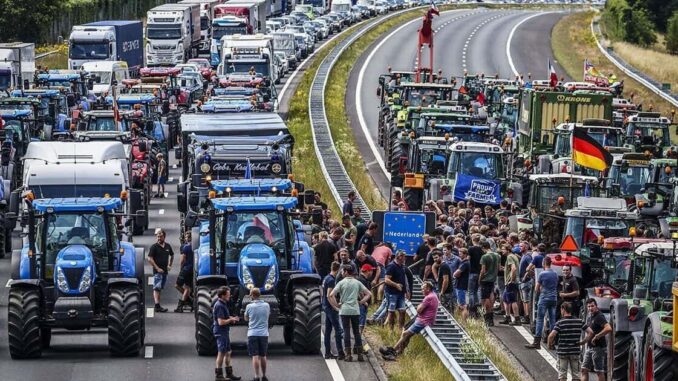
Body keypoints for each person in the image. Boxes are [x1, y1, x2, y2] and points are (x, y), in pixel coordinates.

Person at [379, 281, 439, 361]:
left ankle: (392, 351)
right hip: (421, 317)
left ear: (428, 289)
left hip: (424, 320)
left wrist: (419, 307)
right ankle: (398, 351)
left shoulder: (429, 297)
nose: (421, 291)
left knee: (405, 334)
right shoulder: (433, 295)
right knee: (405, 329)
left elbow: (419, 310)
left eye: (423, 289)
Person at [329, 265, 372, 362]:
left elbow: (331, 295)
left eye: (343, 271)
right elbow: (369, 294)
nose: (342, 273)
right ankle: (360, 354)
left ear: (346, 272)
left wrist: (337, 305)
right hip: (355, 310)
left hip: (344, 310)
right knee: (356, 332)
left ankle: (348, 355)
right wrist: (360, 302)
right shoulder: (357, 282)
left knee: (347, 331)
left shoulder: (341, 283)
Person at [526, 256, 558, 349]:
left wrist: (538, 296)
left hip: (544, 298)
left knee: (540, 319)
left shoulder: (542, 274)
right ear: (550, 263)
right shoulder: (555, 274)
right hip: (553, 298)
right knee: (552, 320)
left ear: (544, 263)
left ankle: (537, 342)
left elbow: (536, 288)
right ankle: (551, 342)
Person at [547, 302, 584, 381]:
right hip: (575, 351)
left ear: (563, 309)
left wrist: (549, 345)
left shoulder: (560, 322)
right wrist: (583, 342)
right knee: (576, 375)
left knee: (562, 375)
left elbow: (551, 336)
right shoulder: (579, 321)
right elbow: (590, 332)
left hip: (563, 352)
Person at [213, 286, 241, 381]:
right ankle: (219, 375)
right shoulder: (219, 305)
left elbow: (224, 317)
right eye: (228, 294)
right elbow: (220, 322)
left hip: (224, 331)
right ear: (222, 295)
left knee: (228, 352)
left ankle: (229, 374)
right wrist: (230, 320)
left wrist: (231, 318)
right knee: (221, 353)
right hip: (221, 332)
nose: (230, 296)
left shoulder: (223, 304)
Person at [581, 298, 612, 381]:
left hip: (598, 348)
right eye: (588, 306)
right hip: (589, 348)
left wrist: (597, 336)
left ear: (596, 306)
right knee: (584, 370)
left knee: (599, 372)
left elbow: (608, 328)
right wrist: (583, 342)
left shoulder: (599, 316)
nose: (590, 308)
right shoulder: (590, 316)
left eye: (592, 306)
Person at [245, 288, 270, 381]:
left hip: (252, 334)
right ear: (259, 295)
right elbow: (267, 316)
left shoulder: (249, 306)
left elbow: (246, 318)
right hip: (264, 334)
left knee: (255, 356)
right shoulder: (267, 305)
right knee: (263, 355)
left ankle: (256, 376)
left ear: (251, 295)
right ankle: (264, 376)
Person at [322, 262, 345, 359]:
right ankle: (340, 352)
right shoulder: (331, 280)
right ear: (338, 269)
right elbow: (329, 295)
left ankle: (327, 352)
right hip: (330, 307)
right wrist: (336, 306)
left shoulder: (326, 278)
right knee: (338, 330)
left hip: (325, 306)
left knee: (328, 330)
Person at [148, 229, 174, 312]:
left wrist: (170, 265)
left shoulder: (167, 246)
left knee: (160, 288)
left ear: (164, 237)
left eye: (160, 236)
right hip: (157, 272)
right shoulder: (154, 247)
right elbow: (149, 258)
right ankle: (157, 305)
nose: (159, 238)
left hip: (165, 271)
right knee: (157, 287)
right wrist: (157, 268)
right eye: (158, 237)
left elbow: (172, 255)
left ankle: (158, 305)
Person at [384, 251, 408, 331]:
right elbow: (386, 280)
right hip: (392, 292)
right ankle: (391, 330)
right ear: (399, 257)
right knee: (391, 311)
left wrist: (407, 290)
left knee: (402, 311)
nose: (405, 258)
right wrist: (396, 285)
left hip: (401, 293)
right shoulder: (391, 266)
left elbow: (404, 279)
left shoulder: (402, 266)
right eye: (404, 256)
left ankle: (400, 329)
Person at [479, 240, 500, 326]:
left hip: (485, 279)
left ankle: (487, 316)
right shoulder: (497, 255)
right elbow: (498, 267)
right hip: (493, 278)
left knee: (485, 297)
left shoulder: (484, 257)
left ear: (483, 248)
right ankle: (491, 314)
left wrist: (480, 279)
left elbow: (483, 270)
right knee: (491, 296)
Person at [499, 245, 521, 325]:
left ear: (508, 250)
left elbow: (514, 268)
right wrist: (504, 269)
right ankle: (507, 317)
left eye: (503, 249)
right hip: (509, 281)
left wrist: (511, 280)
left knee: (512, 300)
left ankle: (517, 319)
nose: (502, 251)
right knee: (505, 299)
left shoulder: (510, 257)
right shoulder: (514, 256)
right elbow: (511, 269)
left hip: (511, 282)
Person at [174, 230, 194, 313]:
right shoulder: (195, 246)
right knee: (187, 287)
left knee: (177, 285)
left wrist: (181, 268)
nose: (186, 239)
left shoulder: (186, 247)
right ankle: (187, 300)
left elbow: (183, 260)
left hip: (185, 269)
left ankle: (185, 301)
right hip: (192, 269)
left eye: (187, 237)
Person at [453, 248, 470, 321]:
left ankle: (464, 321)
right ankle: (461, 320)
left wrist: (454, 275)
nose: (459, 254)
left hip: (461, 285)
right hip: (463, 285)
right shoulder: (466, 262)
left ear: (465, 254)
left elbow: (457, 273)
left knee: (463, 305)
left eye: (461, 253)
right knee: (461, 304)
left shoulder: (465, 263)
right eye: (459, 252)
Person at [357, 264, 374, 335]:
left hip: (363, 304)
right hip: (362, 304)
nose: (372, 272)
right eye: (371, 271)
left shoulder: (365, 280)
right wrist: (364, 302)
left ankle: (359, 336)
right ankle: (359, 337)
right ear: (367, 271)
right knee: (361, 322)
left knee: (362, 321)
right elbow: (359, 291)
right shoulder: (361, 279)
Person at [518, 244, 534, 324]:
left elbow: (531, 266)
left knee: (526, 300)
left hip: (526, 281)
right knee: (524, 300)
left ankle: (527, 317)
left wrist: (525, 275)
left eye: (521, 246)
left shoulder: (527, 256)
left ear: (526, 247)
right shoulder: (523, 256)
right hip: (522, 281)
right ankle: (525, 315)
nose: (519, 248)